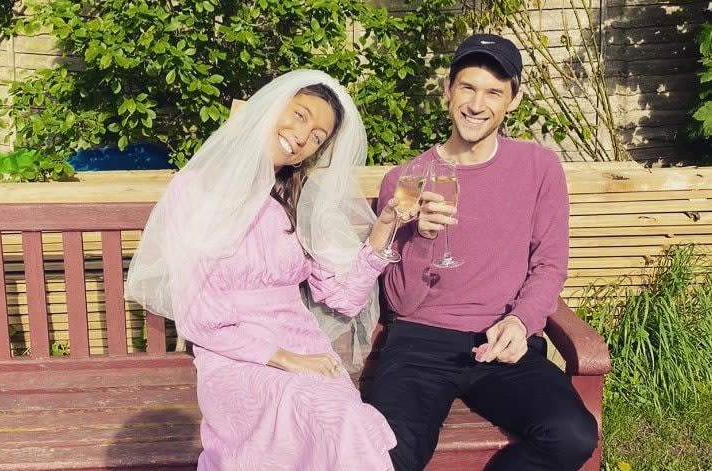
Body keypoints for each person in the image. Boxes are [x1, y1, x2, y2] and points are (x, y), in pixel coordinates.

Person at [125, 69, 397, 470]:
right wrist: (283, 359)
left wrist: (385, 226)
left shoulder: (297, 199)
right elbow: (198, 317)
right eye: (300, 115)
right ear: (271, 108)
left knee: (343, 420)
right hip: (236, 356)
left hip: (306, 346)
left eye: (318, 137)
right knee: (322, 415)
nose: (303, 137)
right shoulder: (196, 189)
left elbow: (342, 297)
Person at [367, 34, 599, 471]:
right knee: (387, 456)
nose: (477, 104)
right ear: (448, 91)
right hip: (420, 343)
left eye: (493, 91)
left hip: (502, 341)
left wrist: (521, 320)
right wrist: (419, 239)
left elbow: (549, 264)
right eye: (467, 88)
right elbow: (398, 301)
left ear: (513, 100)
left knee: (571, 435)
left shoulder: (537, 167)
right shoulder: (410, 177)